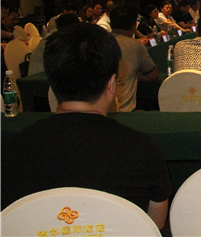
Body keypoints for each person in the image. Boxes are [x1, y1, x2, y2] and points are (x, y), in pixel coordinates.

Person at [1, 23, 172, 230]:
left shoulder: (9, 150)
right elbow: (154, 226)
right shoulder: (144, 150)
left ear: (51, 84)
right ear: (112, 85)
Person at [110, 5, 159, 112]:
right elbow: (153, 75)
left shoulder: (98, 42)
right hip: (124, 111)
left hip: (97, 110)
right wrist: (132, 74)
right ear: (133, 26)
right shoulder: (135, 45)